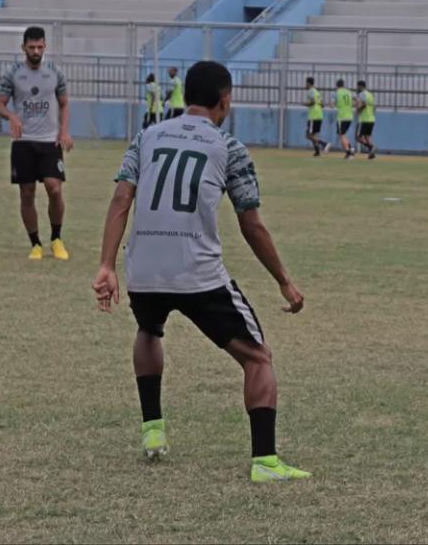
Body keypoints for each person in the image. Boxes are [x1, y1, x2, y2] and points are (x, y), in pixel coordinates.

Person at [91, 60, 311, 482]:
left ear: (186, 95)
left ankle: (153, 431)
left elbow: (121, 199)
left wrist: (106, 265)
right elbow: (251, 223)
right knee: (258, 357)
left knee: (149, 329)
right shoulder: (229, 146)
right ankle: (266, 462)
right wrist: (284, 280)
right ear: (224, 101)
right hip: (197, 272)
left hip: (144, 269)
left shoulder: (147, 136)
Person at [0, 26, 73, 261]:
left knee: (54, 188)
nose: (36, 51)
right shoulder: (12, 73)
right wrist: (11, 116)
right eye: (32, 47)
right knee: (27, 193)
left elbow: (63, 103)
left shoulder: (55, 72)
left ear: (45, 47)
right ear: (23, 48)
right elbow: (0, 104)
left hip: (49, 141)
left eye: (40, 47)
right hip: (24, 142)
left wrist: (63, 131)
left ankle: (57, 239)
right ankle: (36, 244)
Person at [329, 78, 355, 159]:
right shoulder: (349, 92)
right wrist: (353, 106)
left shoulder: (336, 93)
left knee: (341, 135)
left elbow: (332, 106)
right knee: (343, 134)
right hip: (350, 116)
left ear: (337, 86)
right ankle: (350, 149)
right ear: (343, 85)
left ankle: (348, 152)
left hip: (342, 116)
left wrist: (336, 104)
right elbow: (358, 99)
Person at [304, 76, 329, 156]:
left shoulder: (310, 91)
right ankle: (317, 151)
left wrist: (306, 104)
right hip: (319, 115)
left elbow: (313, 102)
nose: (305, 85)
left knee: (308, 135)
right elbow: (322, 105)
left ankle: (324, 143)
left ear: (308, 83)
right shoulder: (317, 92)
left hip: (313, 115)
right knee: (313, 135)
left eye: (306, 83)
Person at [354, 80, 377, 159]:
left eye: (357, 86)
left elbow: (364, 104)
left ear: (360, 86)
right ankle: (372, 154)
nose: (357, 88)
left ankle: (371, 147)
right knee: (367, 136)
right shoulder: (370, 94)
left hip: (364, 119)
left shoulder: (361, 94)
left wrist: (358, 109)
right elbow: (374, 107)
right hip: (371, 118)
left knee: (358, 137)